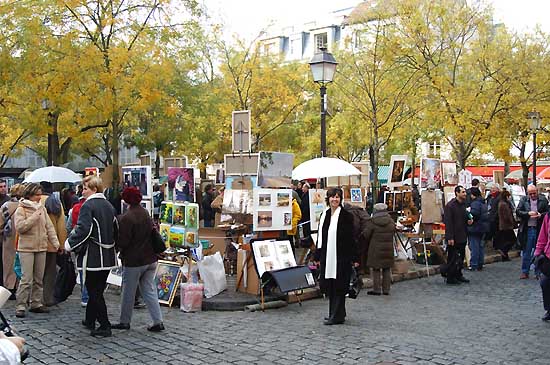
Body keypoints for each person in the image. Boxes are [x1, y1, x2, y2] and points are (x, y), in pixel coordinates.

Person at [66, 176, 118, 337]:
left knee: (94, 291)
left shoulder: (88, 206)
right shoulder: (109, 205)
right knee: (97, 288)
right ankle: (89, 319)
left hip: (93, 256)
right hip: (108, 256)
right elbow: (116, 229)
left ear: (95, 189)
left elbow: (83, 230)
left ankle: (104, 325)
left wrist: (68, 244)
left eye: (86, 188)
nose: (83, 191)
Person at [111, 187, 164, 332]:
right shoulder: (145, 213)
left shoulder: (127, 218)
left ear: (126, 200)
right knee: (149, 290)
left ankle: (124, 321)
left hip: (134, 261)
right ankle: (158, 320)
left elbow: (123, 242)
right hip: (150, 259)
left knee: (128, 292)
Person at [14, 183, 60, 318]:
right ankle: (21, 305)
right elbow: (20, 227)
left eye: (40, 194)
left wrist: (55, 242)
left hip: (41, 247)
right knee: (26, 278)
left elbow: (49, 227)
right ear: (30, 195)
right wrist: (34, 217)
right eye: (37, 195)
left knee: (39, 278)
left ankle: (36, 303)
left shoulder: (42, 209)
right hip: (26, 248)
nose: (40, 197)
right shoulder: (21, 209)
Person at [314, 188, 359, 325]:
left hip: (341, 257)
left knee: (339, 285)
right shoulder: (325, 215)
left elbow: (351, 238)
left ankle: (337, 315)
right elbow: (321, 236)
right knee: (331, 285)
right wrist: (317, 255)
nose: (335, 199)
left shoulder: (346, 216)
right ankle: (335, 313)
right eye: (332, 197)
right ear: (328, 199)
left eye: (338, 197)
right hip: (327, 256)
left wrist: (354, 258)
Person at [39, 181, 67, 307]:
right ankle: (47, 298)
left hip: (36, 243)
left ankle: (34, 298)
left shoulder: (35, 201)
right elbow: (61, 226)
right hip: (51, 243)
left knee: (36, 273)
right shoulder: (56, 202)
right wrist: (61, 245)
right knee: (50, 273)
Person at [517, 184, 549, 279]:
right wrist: (527, 214)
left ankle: (538, 272)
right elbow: (518, 211)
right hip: (528, 229)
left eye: (534, 193)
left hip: (539, 228)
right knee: (526, 251)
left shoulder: (543, 200)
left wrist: (540, 215)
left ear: (537, 192)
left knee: (538, 252)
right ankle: (525, 271)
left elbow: (548, 213)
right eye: (530, 194)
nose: (532, 196)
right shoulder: (524, 200)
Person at [364, 203, 395, 295]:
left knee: (376, 269)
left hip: (375, 249)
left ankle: (376, 289)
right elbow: (393, 231)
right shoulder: (391, 221)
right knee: (386, 268)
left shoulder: (372, 221)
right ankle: (386, 290)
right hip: (388, 248)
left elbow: (366, 234)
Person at [443, 185, 472, 285]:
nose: (465, 194)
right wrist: (450, 237)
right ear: (457, 193)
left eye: (465, 192)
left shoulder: (463, 205)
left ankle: (458, 274)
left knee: (461, 257)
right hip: (454, 236)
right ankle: (450, 277)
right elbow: (448, 222)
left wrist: (468, 220)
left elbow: (464, 217)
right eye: (463, 192)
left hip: (463, 234)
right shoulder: (450, 206)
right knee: (452, 257)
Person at [0, 184, 24, 299]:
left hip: (8, 239)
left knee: (8, 263)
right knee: (20, 264)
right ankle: (20, 286)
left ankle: (9, 287)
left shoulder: (6, 206)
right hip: (22, 238)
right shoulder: (25, 205)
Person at [66, 196, 88, 307]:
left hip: (78, 243)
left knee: (81, 268)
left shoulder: (75, 208)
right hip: (92, 245)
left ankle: (84, 296)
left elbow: (69, 226)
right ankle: (89, 295)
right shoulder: (93, 207)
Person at [466, 187, 489, 271]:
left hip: (475, 227)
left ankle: (474, 264)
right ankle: (480, 263)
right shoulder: (483, 202)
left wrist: (469, 215)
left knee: (474, 246)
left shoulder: (475, 203)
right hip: (483, 227)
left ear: (473, 195)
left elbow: (474, 214)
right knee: (480, 246)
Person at [534, 212, 550, 321]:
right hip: (549, 256)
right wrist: (537, 253)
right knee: (545, 282)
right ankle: (549, 309)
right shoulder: (548, 216)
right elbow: (543, 236)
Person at [494, 190, 516, 262]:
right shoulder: (504, 204)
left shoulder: (501, 203)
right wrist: (512, 222)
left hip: (503, 225)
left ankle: (505, 256)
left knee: (506, 240)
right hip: (506, 226)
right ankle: (503, 251)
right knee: (512, 240)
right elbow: (507, 216)